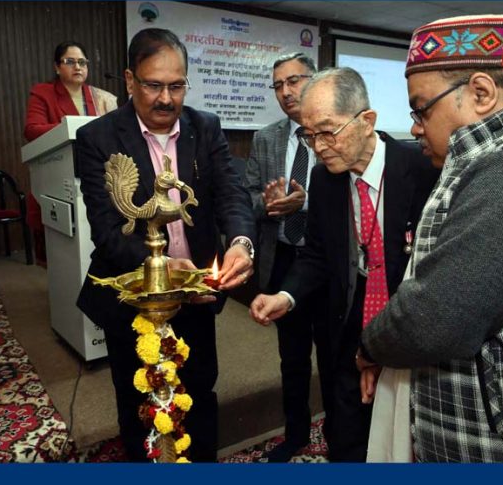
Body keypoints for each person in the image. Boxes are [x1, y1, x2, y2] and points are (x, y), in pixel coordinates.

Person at [358, 14, 503, 462]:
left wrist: (370, 347)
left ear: (481, 93)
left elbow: (438, 318)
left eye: (422, 108)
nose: (416, 127)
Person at [75, 28, 255, 462]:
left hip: (195, 297)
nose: (166, 99)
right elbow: (106, 229)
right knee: (138, 402)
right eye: (154, 85)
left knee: (199, 390)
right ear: (130, 81)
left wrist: (241, 242)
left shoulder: (205, 127)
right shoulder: (98, 138)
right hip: (133, 299)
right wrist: (164, 270)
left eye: (177, 86)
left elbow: (231, 193)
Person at [249, 67, 438, 462]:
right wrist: (286, 295)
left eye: (328, 131)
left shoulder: (423, 170)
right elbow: (316, 254)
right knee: (346, 434)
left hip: (411, 326)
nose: (318, 146)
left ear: (367, 121)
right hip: (350, 325)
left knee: (407, 438)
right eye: (309, 134)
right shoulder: (325, 180)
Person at [245, 53, 331, 462]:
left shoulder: (334, 131)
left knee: (333, 356)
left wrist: (306, 202)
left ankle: (341, 433)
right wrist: (269, 205)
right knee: (292, 358)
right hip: (282, 259)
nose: (286, 91)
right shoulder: (266, 138)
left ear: (315, 80)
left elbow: (351, 196)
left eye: (294, 80)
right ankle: (295, 433)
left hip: (329, 263)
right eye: (278, 85)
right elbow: (247, 198)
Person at [23, 41, 118, 266]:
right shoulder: (43, 93)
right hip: (58, 173)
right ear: (57, 67)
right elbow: (32, 129)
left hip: (98, 174)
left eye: (82, 62)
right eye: (70, 61)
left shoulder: (101, 97)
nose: (78, 67)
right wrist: (69, 126)